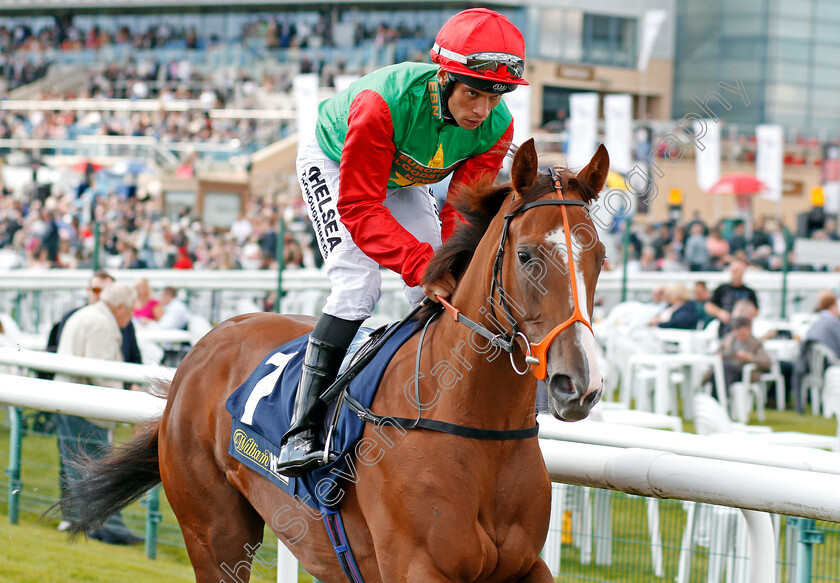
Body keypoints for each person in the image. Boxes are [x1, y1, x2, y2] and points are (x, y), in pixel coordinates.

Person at [278, 8, 528, 476]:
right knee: (359, 286)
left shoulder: (497, 127)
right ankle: (301, 428)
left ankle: (432, 403)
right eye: (472, 93)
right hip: (337, 163)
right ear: (445, 78)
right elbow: (360, 208)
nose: (480, 111)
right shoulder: (381, 104)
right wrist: (423, 266)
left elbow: (463, 212)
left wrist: (444, 269)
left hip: (405, 175)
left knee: (443, 282)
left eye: (495, 98)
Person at [54, 283, 144, 545]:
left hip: (70, 400)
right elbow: (104, 374)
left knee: (78, 466)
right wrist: (127, 398)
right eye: (129, 312)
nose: (129, 319)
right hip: (85, 406)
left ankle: (83, 521)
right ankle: (107, 528)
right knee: (97, 469)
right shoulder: (101, 323)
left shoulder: (86, 314)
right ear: (120, 307)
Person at [705, 259, 758, 337]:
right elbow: (709, 306)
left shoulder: (749, 292)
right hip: (725, 329)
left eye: (738, 271)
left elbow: (756, 310)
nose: (735, 273)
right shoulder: (722, 289)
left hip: (743, 330)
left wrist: (744, 313)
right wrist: (720, 313)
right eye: (734, 271)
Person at [717, 316, 771, 392]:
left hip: (743, 373)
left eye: (743, 334)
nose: (741, 336)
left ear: (749, 329)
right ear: (734, 330)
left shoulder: (756, 343)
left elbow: (767, 362)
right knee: (720, 370)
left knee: (725, 370)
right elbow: (718, 352)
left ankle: (721, 398)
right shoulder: (728, 339)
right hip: (726, 370)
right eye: (738, 334)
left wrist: (749, 358)